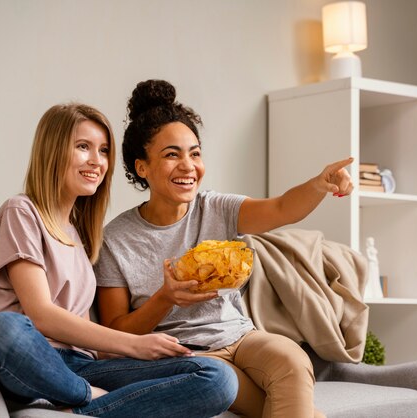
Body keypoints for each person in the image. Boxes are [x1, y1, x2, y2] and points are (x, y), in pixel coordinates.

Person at [95, 80, 353, 418]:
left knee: (292, 359)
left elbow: (280, 209)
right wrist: (165, 298)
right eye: (172, 155)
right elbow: (115, 332)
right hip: (188, 356)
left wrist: (318, 185)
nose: (188, 166)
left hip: (242, 337)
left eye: (195, 153)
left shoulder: (215, 207)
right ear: (142, 167)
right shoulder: (116, 239)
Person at [0, 102, 237, 418]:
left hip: (80, 365)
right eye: (83, 147)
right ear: (52, 151)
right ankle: (84, 398)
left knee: (217, 378)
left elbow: (92, 341)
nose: (97, 161)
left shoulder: (81, 234)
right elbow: (41, 316)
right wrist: (135, 345)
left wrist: (136, 353)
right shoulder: (21, 212)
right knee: (2, 329)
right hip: (23, 358)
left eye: (104, 150)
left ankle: (84, 412)